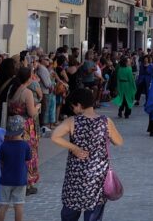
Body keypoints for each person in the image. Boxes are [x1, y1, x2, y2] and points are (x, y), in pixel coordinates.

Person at [51, 88, 123, 221]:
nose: (73, 110)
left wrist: (74, 148)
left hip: (75, 178)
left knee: (70, 212)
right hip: (97, 178)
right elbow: (119, 142)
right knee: (94, 214)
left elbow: (55, 136)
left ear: (79, 105)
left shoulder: (72, 121)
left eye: (73, 106)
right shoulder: (105, 121)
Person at [7, 67, 41, 194]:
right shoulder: (27, 92)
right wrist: (37, 107)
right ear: (29, 78)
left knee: (16, 154)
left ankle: (16, 180)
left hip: (13, 125)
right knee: (29, 153)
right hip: (26, 126)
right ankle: (27, 183)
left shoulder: (12, 89)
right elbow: (31, 112)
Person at [0, 116, 30, 221]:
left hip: (5, 180)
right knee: (19, 206)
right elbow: (27, 160)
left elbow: (1, 162)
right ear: (22, 131)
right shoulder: (25, 145)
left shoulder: (4, 145)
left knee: (3, 205)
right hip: (20, 180)